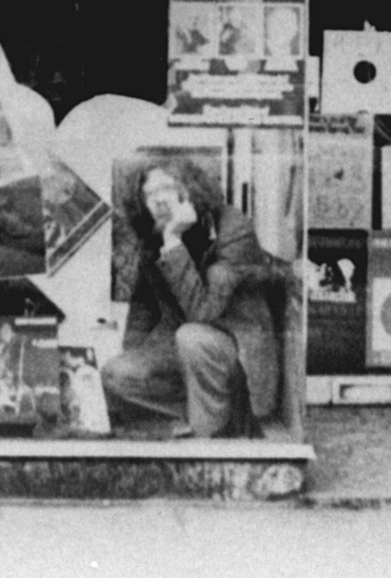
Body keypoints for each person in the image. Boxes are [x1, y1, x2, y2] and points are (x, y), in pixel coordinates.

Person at [101, 156, 278, 438]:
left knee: (192, 336)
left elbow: (204, 313)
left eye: (167, 188)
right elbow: (143, 307)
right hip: (183, 349)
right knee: (116, 375)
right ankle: (199, 415)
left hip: (234, 352)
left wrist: (172, 241)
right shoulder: (153, 235)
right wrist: (132, 352)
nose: (158, 200)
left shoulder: (232, 228)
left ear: (189, 188)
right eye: (149, 194)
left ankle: (208, 435)